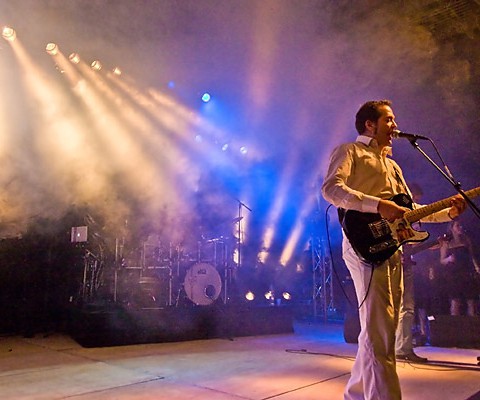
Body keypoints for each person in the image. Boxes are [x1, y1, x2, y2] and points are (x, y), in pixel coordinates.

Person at [322, 100, 466, 400]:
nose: (395, 126)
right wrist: (377, 205)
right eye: (388, 119)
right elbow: (332, 190)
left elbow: (410, 211)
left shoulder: (393, 165)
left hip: (392, 248)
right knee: (381, 335)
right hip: (365, 247)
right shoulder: (350, 152)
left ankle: (356, 393)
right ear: (369, 125)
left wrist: (446, 214)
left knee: (377, 329)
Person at [439, 220, 480, 316]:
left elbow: (471, 256)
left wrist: (477, 268)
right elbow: (441, 260)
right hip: (454, 274)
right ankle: (456, 327)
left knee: (471, 301)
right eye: (457, 226)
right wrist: (449, 259)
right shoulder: (447, 243)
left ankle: (471, 326)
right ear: (452, 228)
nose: (460, 227)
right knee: (455, 300)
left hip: (467, 272)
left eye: (460, 225)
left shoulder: (466, 240)